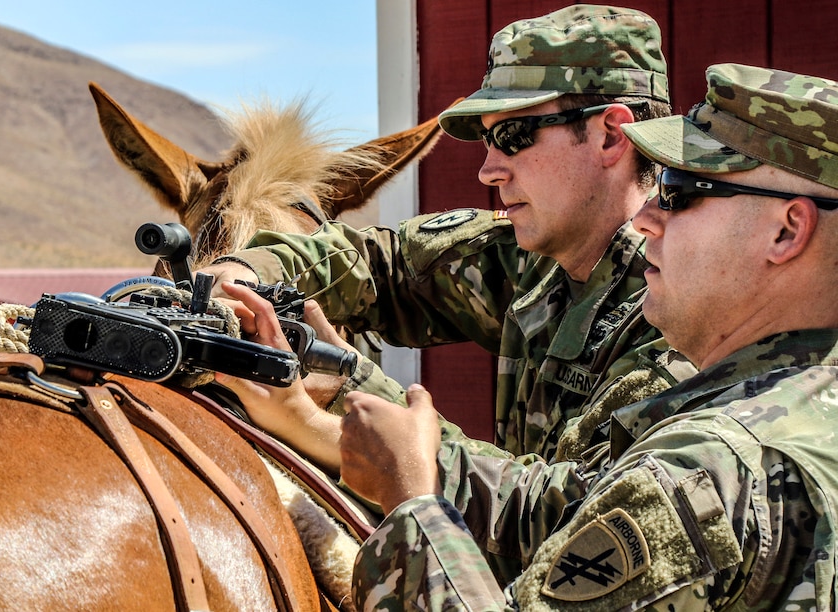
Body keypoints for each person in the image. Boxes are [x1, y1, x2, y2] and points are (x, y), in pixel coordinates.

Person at [339, 62, 838, 610]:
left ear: (787, 230)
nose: (647, 217)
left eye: (678, 190)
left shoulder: (704, 469)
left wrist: (411, 499)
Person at [207, 4, 690, 463]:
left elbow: (552, 511)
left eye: (514, 136)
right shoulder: (535, 262)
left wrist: (345, 386)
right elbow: (384, 262)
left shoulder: (683, 314)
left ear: (611, 135)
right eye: (486, 139)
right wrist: (240, 273)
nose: (489, 170)